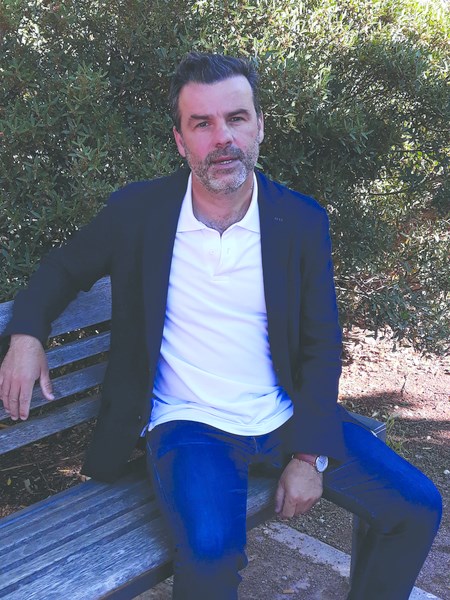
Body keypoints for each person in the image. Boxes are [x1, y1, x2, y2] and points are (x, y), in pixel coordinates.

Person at [0, 52, 442, 600]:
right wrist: (27, 335)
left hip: (283, 414)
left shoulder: (298, 220)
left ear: (259, 126)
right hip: (191, 424)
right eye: (201, 123)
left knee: (416, 507)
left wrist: (309, 457)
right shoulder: (139, 213)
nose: (222, 137)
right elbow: (62, 269)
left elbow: (321, 344)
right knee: (210, 555)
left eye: (236, 118)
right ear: (180, 140)